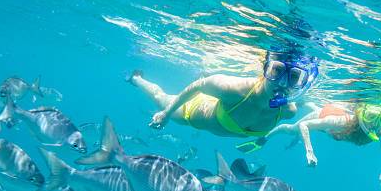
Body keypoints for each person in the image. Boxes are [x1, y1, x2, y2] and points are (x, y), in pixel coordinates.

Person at [127, 51, 319, 138]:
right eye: (276, 71)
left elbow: (300, 104)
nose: (283, 83)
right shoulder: (235, 89)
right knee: (160, 99)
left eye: (294, 77)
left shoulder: (288, 111)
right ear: (265, 69)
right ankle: (136, 79)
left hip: (223, 113)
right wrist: (166, 114)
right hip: (196, 111)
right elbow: (199, 85)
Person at [237, 102, 381, 189]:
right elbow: (304, 125)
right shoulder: (341, 122)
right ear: (363, 114)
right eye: (371, 117)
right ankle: (263, 139)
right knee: (292, 130)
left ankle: (307, 103)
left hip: (331, 125)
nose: (374, 124)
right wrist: (309, 152)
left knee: (314, 111)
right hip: (326, 117)